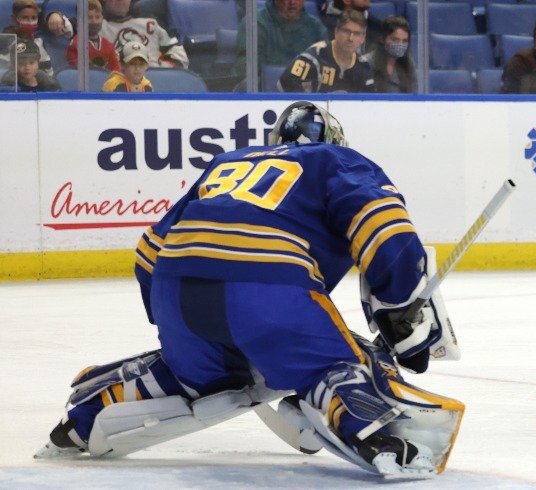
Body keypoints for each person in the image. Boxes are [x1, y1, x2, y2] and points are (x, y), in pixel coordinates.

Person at [33, 101, 463, 478]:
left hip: (177, 287)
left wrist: (172, 320)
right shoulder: (338, 160)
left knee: (198, 375)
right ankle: (378, 433)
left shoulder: (228, 162)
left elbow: (148, 252)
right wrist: (400, 308)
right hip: (267, 286)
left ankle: (86, 415)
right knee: (336, 362)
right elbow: (386, 232)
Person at [278, 9, 374, 93]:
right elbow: (284, 84)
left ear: (363, 38)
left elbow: (370, 105)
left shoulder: (363, 67)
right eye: (346, 31)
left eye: (356, 34)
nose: (350, 38)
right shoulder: (313, 58)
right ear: (336, 32)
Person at [235, 0, 328, 71]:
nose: (292, 2)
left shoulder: (316, 27)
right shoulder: (255, 24)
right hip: (267, 93)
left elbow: (327, 68)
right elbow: (246, 70)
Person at [100, 0, 188, 69]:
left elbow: (178, 53)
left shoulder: (151, 24)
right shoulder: (95, 28)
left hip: (156, 81)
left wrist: (162, 69)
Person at [361, 15, 416, 93]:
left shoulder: (408, 63)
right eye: (395, 40)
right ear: (382, 39)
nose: (400, 44)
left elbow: (414, 93)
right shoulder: (366, 62)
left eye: (404, 41)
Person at [2, 0, 55, 75]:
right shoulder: (7, 41)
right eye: (25, 18)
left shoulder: (38, 41)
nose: (30, 22)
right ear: (14, 18)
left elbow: (48, 72)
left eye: (33, 18)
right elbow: (2, 71)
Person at [66, 0, 120, 72]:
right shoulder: (76, 44)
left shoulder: (108, 45)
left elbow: (116, 71)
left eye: (97, 17)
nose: (94, 21)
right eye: (89, 17)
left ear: (102, 18)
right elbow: (76, 73)